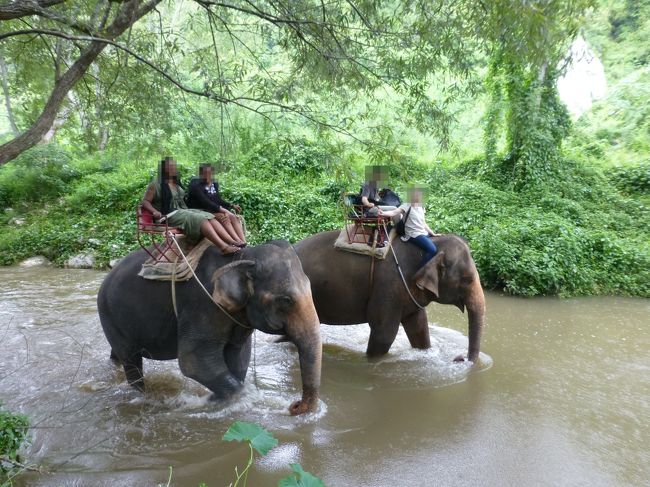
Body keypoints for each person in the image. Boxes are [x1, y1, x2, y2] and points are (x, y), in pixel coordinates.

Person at [141, 157, 240, 255]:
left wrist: (229, 206)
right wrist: (154, 211)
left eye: (174, 166)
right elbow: (145, 201)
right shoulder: (155, 184)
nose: (173, 168)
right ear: (163, 169)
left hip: (182, 210)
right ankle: (223, 247)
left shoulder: (176, 183)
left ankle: (232, 241)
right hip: (167, 214)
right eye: (169, 167)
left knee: (210, 216)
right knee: (200, 219)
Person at [186, 163, 246, 247]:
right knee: (223, 217)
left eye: (209, 173)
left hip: (212, 209)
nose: (207, 176)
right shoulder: (195, 184)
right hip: (200, 210)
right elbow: (205, 202)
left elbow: (217, 199)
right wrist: (223, 210)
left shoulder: (214, 183)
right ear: (200, 174)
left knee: (233, 217)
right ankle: (236, 241)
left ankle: (243, 241)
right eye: (204, 173)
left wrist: (231, 205)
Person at [381, 185, 438, 267]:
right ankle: (421, 271)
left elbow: (423, 222)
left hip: (422, 232)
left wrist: (433, 233)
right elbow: (394, 212)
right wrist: (383, 213)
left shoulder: (421, 206)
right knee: (432, 250)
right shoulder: (407, 205)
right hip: (413, 233)